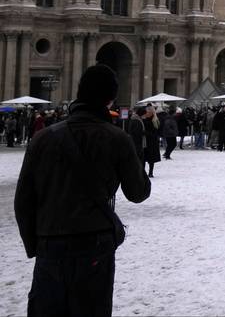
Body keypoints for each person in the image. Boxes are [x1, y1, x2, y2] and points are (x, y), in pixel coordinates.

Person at [15, 64, 152, 317]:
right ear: (110, 99)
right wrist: (137, 155)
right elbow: (138, 192)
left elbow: (23, 201)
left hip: (50, 243)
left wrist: (38, 244)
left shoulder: (42, 138)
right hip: (95, 243)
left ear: (79, 92)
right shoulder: (116, 138)